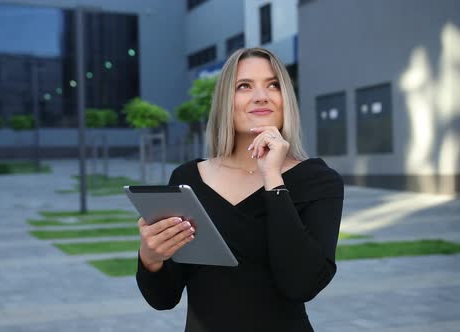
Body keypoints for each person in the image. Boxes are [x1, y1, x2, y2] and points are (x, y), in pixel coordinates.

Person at [135, 47, 344, 331]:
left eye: (273, 85)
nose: (261, 95)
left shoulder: (318, 180)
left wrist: (272, 178)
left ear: (286, 99)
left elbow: (302, 284)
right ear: (225, 101)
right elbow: (164, 298)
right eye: (244, 86)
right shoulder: (188, 179)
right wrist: (150, 258)